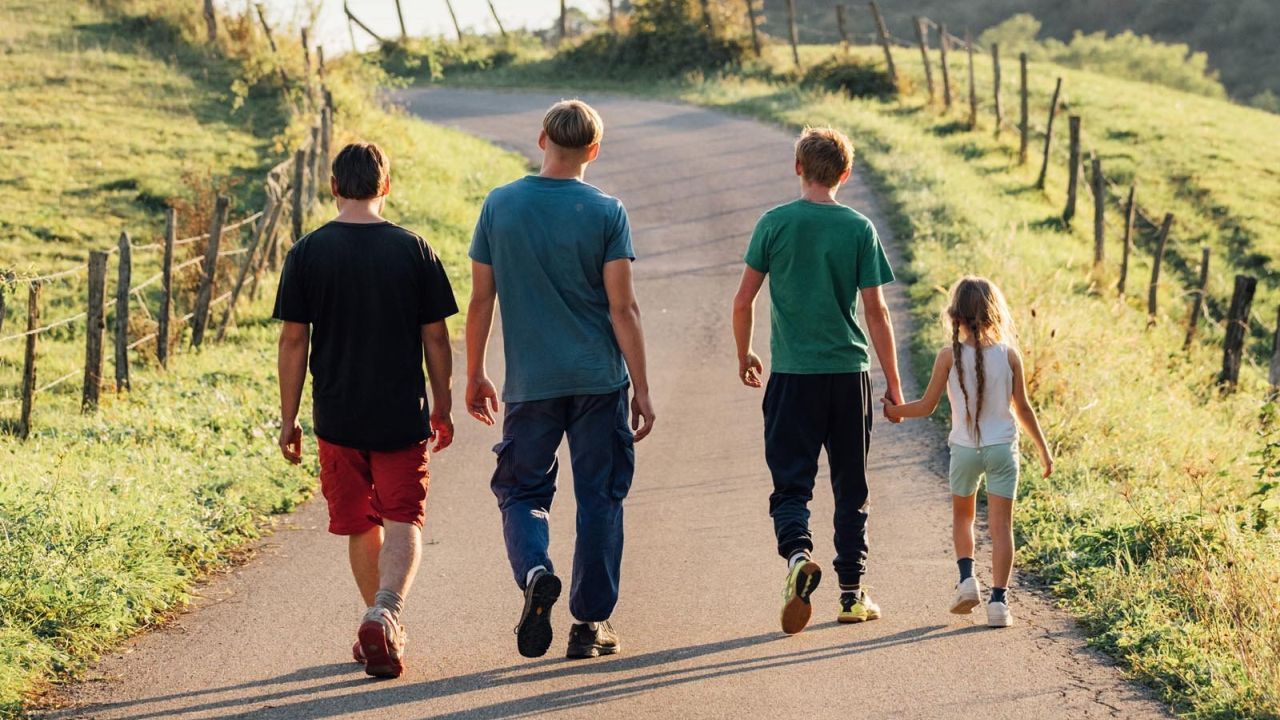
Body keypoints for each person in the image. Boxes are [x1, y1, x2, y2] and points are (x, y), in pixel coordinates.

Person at [465, 99, 655, 660]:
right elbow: (624, 308)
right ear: (593, 150)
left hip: (531, 384)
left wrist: (475, 373)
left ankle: (535, 573)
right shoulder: (607, 212)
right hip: (600, 381)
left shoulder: (499, 205)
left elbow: (482, 299)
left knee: (523, 492)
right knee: (601, 498)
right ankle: (590, 626)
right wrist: (641, 388)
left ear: (542, 137)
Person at [274, 142, 458, 678]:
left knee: (361, 522)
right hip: (401, 414)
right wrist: (441, 403)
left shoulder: (307, 253)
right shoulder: (414, 249)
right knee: (403, 519)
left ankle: (379, 619)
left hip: (337, 416)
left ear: (334, 186)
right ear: (386, 186)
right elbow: (437, 338)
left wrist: (289, 418)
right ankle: (387, 612)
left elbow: (292, 341)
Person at [732, 127, 902, 635]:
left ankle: (797, 557)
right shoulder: (858, 228)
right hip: (848, 376)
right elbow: (877, 311)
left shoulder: (774, 224)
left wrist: (744, 353)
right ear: (845, 174)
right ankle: (851, 595)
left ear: (798, 167)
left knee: (791, 484)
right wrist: (892, 383)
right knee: (851, 487)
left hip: (792, 378)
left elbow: (743, 300)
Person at [883, 276, 1053, 628]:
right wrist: (1043, 450)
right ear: (995, 314)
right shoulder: (1009, 355)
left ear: (954, 316)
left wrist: (893, 411)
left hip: (964, 450)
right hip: (1003, 449)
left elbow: (927, 406)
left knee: (963, 517)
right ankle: (999, 603)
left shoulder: (948, 356)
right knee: (1002, 525)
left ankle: (966, 579)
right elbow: (1023, 408)